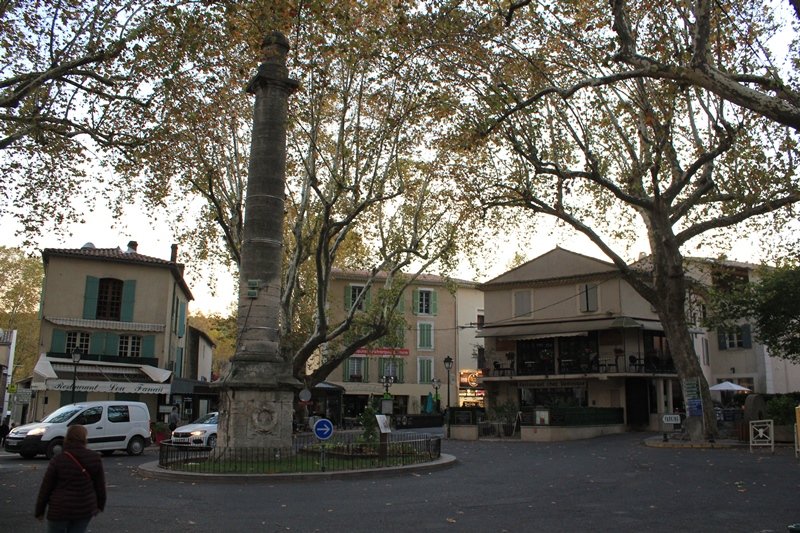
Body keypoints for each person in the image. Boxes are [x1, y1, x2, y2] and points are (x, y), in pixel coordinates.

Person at [35, 425, 106, 533]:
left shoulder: (58, 459)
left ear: (67, 438)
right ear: (84, 438)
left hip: (59, 509)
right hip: (84, 508)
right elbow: (100, 485)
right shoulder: (94, 458)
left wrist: (40, 511)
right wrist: (100, 505)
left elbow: (46, 487)